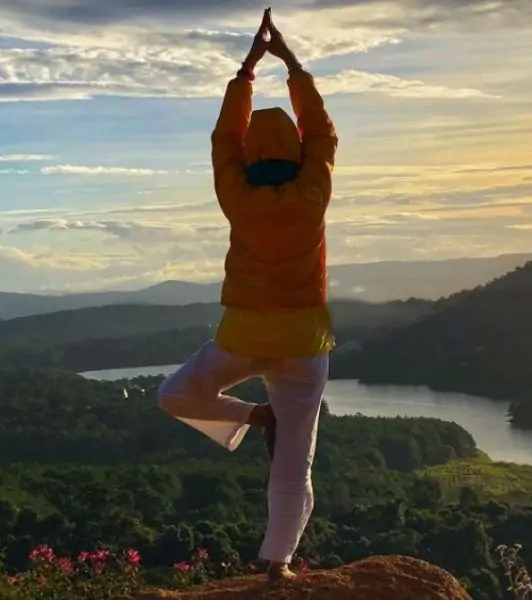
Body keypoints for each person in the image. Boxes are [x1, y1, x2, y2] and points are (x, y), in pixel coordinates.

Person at [156, 7, 337, 581]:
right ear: (297, 156)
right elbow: (323, 134)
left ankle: (253, 416)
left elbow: (224, 138)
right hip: (304, 340)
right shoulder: (313, 193)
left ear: (252, 157)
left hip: (243, 335)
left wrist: (246, 72)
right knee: (294, 463)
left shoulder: (236, 194)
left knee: (174, 395)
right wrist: (293, 65)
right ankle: (277, 565)